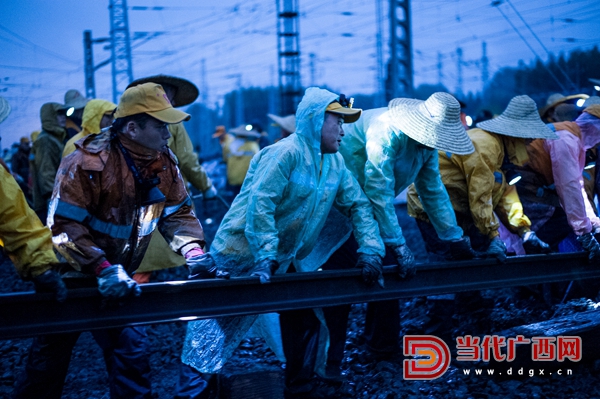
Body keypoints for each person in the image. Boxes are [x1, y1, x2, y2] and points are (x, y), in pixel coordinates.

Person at [181, 87, 386, 398]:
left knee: (304, 317)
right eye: (338, 122)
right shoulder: (285, 153)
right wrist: (264, 254)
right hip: (240, 252)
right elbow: (261, 203)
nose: (343, 131)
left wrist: (371, 250)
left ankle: (300, 387)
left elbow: (357, 204)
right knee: (212, 331)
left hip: (285, 258)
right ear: (317, 121)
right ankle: (193, 393)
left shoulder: (334, 164)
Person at [14, 82, 215, 399]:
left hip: (117, 273)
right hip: (71, 276)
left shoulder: (162, 161)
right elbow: (62, 227)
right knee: (48, 364)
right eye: (161, 125)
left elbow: (177, 213)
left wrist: (193, 250)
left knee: (131, 352)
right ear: (133, 127)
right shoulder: (87, 162)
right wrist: (102, 268)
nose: (168, 134)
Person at [317, 92, 478, 378]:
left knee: (389, 269)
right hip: (334, 201)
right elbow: (378, 188)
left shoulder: (425, 146)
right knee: (338, 274)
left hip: (365, 202)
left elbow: (432, 190)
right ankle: (329, 361)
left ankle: (381, 348)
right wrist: (399, 243)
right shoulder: (386, 130)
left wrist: (453, 237)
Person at [407, 95, 556, 260]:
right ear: (517, 136)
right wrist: (492, 235)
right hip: (432, 206)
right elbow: (480, 196)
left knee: (471, 264)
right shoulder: (486, 147)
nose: (530, 144)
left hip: (456, 207)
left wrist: (525, 231)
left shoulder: (500, 152)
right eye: (528, 139)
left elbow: (505, 196)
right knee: (451, 266)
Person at [124, 75, 218, 282]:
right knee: (181, 265)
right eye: (171, 99)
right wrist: (207, 187)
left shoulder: (125, 130)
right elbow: (186, 160)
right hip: (167, 204)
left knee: (142, 271)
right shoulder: (170, 123)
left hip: (136, 221)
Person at [30, 102, 67, 223]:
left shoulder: (54, 138)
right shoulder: (45, 140)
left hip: (54, 200)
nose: (64, 117)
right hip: (51, 203)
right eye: (59, 114)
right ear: (49, 116)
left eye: (64, 113)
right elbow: (47, 177)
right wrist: (58, 205)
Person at [224, 124, 260, 198]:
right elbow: (258, 160)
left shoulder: (228, 146)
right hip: (247, 179)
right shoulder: (252, 145)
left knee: (234, 199)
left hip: (233, 179)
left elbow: (225, 159)